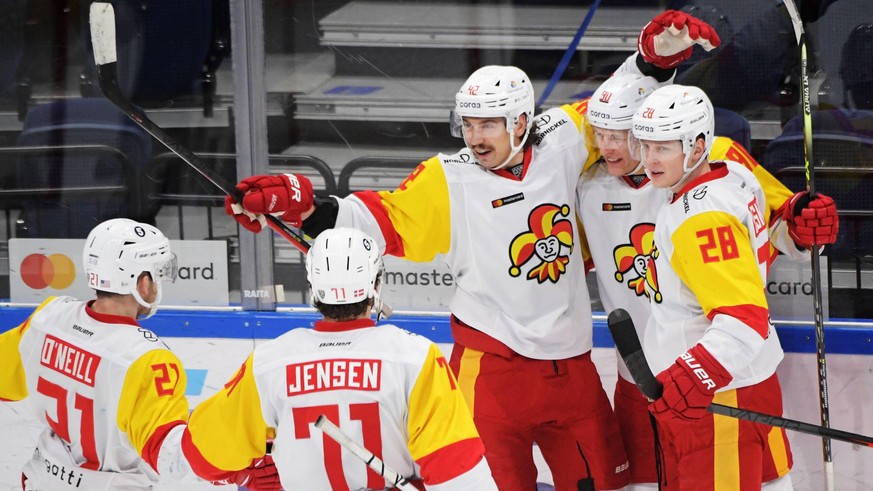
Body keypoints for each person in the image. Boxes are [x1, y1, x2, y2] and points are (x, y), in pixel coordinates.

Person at [223, 11, 720, 490]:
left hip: (572, 371)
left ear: (522, 121)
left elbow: (615, 105)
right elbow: (377, 220)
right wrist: (303, 204)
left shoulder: (565, 138)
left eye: (489, 124)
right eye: (469, 124)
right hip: (490, 377)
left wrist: (652, 60)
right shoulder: (448, 178)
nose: (475, 137)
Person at [577, 74, 839, 490]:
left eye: (662, 147)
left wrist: (694, 376)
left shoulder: (701, 220)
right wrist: (795, 231)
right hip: (745, 381)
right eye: (644, 145)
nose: (649, 160)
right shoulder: (734, 173)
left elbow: (742, 318)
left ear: (698, 146)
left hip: (720, 394)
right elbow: (767, 236)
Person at [180, 227, 497, 490]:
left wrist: (247, 474)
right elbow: (460, 473)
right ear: (376, 285)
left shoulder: (269, 362)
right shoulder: (415, 357)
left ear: (312, 289)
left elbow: (201, 456)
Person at [0, 218, 275, 490]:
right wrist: (239, 472)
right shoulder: (146, 358)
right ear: (142, 283)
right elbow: (173, 460)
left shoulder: (49, 315)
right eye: (158, 273)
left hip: (41, 481)